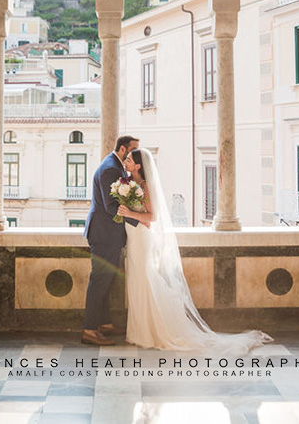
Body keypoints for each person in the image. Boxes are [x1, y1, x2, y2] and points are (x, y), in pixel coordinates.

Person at [117, 148, 272, 352]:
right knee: (137, 281)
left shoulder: (145, 187)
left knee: (145, 282)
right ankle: (139, 332)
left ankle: (150, 333)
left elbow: (152, 217)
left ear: (138, 166)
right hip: (134, 238)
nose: (125, 162)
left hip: (142, 239)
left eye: (128, 160)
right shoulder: (131, 184)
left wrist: (129, 213)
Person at [81, 134, 139, 346]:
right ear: (122, 149)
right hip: (104, 235)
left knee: (106, 281)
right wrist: (139, 220)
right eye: (132, 151)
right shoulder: (110, 169)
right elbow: (111, 207)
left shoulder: (115, 166)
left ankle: (104, 323)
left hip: (108, 234)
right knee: (99, 281)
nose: (134, 155)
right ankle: (89, 330)